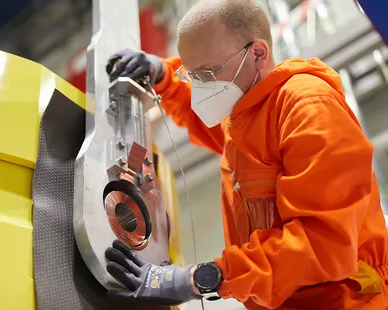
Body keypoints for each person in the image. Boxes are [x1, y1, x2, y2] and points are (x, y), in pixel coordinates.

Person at [104, 0, 388, 309]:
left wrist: (199, 279)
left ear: (258, 53)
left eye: (207, 73)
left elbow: (322, 243)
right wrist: (164, 77)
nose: (200, 88)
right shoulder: (246, 113)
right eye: (192, 76)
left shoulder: (307, 109)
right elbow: (220, 129)